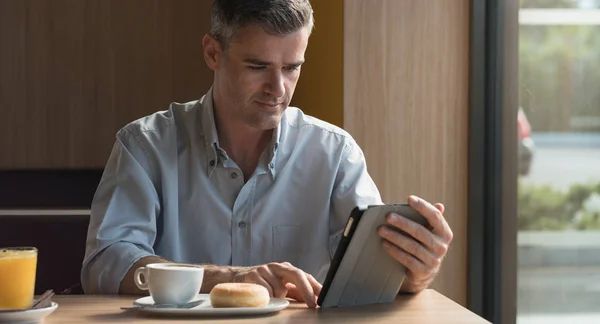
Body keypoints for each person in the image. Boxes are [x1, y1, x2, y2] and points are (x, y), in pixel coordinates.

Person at [81, 0, 454, 308]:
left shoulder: (335, 153)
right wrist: (225, 278)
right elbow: (105, 264)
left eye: (292, 68)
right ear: (213, 52)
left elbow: (369, 275)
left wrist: (413, 273)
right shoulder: (145, 146)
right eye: (258, 66)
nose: (278, 89)